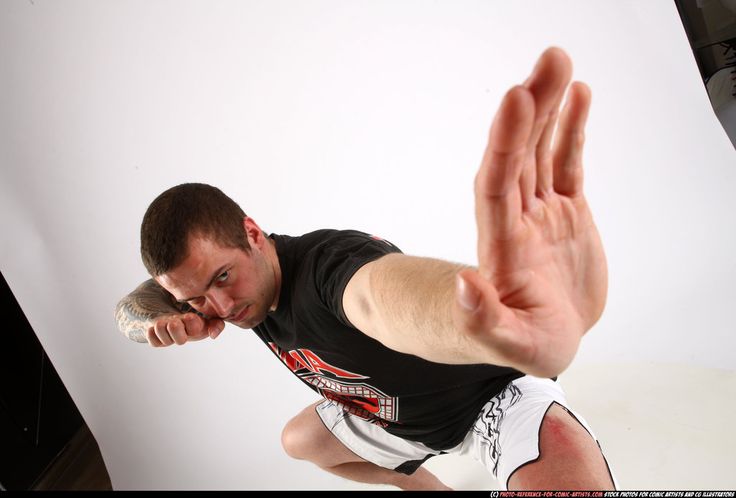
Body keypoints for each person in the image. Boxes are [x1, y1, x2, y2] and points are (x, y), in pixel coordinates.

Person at [115, 47, 617, 490]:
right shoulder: (220, 294)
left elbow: (379, 299)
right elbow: (134, 304)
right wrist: (153, 323)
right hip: (399, 420)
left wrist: (500, 317)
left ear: (251, 233)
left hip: (491, 400)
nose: (220, 307)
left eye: (222, 277)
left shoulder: (328, 267)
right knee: (301, 440)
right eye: (195, 297)